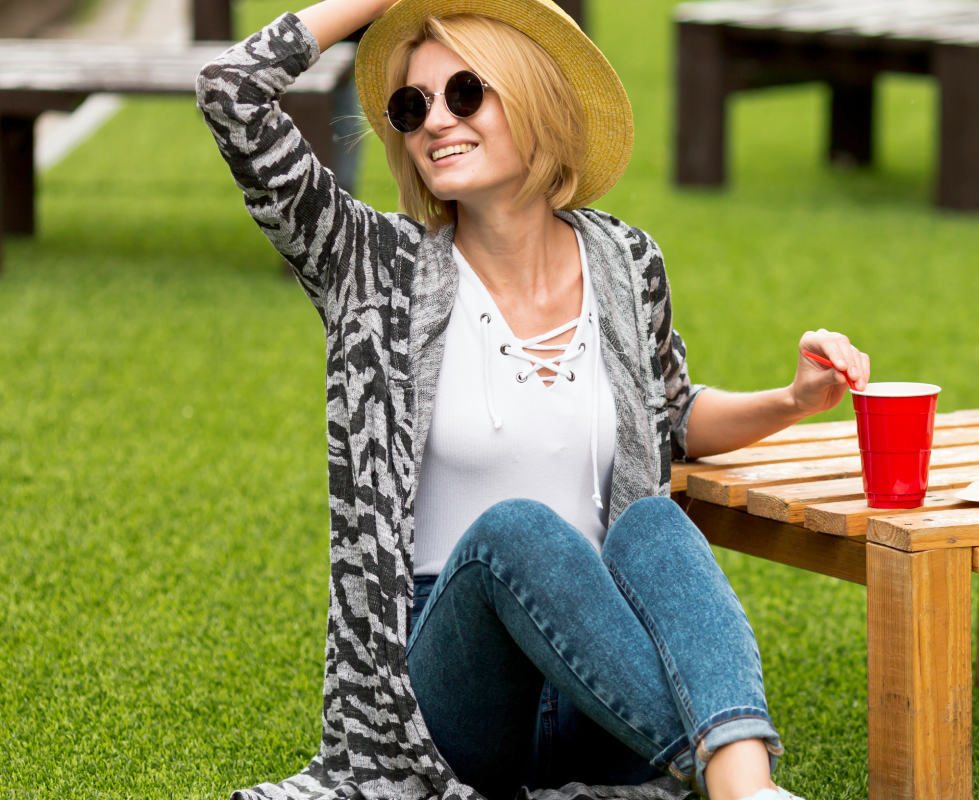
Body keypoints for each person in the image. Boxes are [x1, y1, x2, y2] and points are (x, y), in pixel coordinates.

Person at [196, 2, 871, 799]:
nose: (433, 123)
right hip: (459, 696)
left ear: (532, 97)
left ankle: (743, 787)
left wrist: (794, 398)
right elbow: (231, 91)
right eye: (411, 108)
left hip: (598, 675)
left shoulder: (625, 259)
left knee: (653, 521)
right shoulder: (372, 267)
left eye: (464, 94)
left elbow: (671, 415)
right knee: (516, 530)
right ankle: (724, 766)